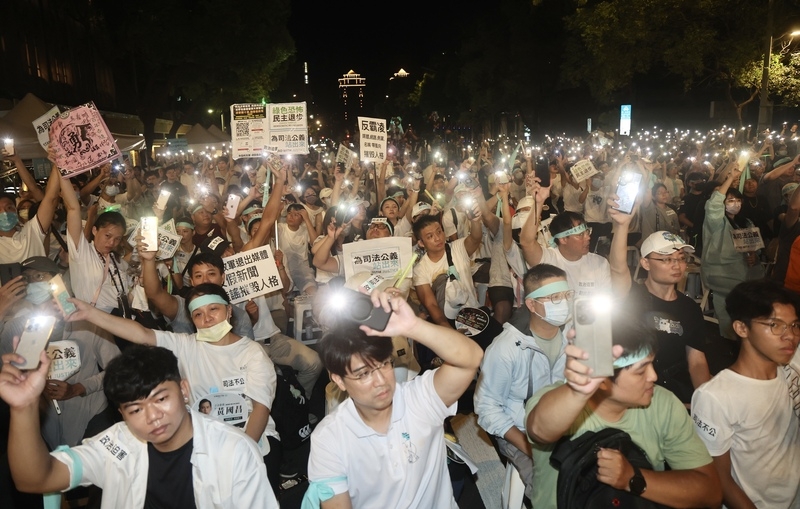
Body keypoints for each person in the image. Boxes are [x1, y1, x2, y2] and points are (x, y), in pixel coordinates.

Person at [65, 284, 283, 494]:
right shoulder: (186, 345)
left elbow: (260, 410)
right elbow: (141, 334)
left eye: (213, 309)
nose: (206, 319)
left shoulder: (252, 352)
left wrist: (241, 452)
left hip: (253, 440)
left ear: (228, 311)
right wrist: (91, 314)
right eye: (198, 314)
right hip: (203, 445)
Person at [0, 344, 278, 508]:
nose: (152, 416)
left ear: (183, 389)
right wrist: (23, 408)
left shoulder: (233, 451)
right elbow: (34, 479)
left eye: (161, 398)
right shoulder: (116, 444)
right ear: (121, 413)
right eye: (135, 409)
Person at [303, 288, 484, 508]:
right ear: (339, 380)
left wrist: (413, 327)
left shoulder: (418, 398)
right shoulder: (330, 439)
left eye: (384, 364)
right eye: (363, 374)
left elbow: (471, 358)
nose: (380, 380)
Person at [525, 319, 722, 509]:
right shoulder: (556, 403)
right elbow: (540, 430)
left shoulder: (663, 404)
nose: (654, 376)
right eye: (640, 371)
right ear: (602, 380)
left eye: (652, 364)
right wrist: (577, 392)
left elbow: (710, 492)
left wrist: (632, 478)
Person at [691, 280, 800, 508]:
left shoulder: (790, 365)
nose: (789, 336)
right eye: (775, 325)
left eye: (795, 325)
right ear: (742, 328)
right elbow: (718, 477)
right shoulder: (716, 397)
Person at [473, 263, 570, 499]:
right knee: (550, 491)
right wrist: (528, 447)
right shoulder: (507, 347)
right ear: (531, 304)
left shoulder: (576, 334)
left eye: (567, 295)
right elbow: (487, 407)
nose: (565, 303)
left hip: (567, 424)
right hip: (521, 431)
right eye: (555, 297)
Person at [627, 231, 710, 406]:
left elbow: (696, 361)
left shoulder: (690, 308)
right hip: (635, 390)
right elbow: (618, 269)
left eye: (681, 258)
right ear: (645, 263)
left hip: (675, 392)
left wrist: (704, 400)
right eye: (666, 259)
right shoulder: (631, 299)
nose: (677, 265)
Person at [701, 165, 765, 338]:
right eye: (729, 201)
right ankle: (730, 343)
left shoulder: (746, 222)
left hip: (746, 275)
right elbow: (713, 206)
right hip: (722, 276)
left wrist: (754, 256)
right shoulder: (716, 223)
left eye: (737, 201)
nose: (735, 204)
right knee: (729, 317)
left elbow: (755, 248)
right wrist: (730, 178)